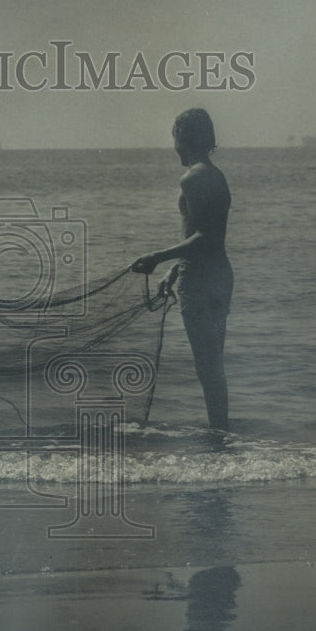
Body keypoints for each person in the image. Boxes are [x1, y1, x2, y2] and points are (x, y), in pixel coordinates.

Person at [131, 108, 233, 430]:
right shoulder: (214, 174)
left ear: (184, 138)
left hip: (201, 282)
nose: (173, 145)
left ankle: (219, 440)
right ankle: (223, 438)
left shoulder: (192, 178)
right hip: (218, 276)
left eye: (175, 138)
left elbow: (205, 237)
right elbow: (208, 238)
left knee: (208, 369)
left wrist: (157, 257)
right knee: (213, 366)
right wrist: (175, 269)